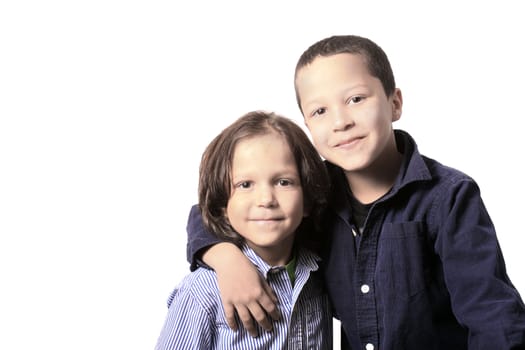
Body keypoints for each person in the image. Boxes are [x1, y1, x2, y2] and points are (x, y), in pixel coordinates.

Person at [185, 35, 525, 349]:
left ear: (394, 103)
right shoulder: (311, 194)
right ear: (308, 125)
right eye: (320, 111)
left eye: (356, 99)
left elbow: (493, 315)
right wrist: (226, 259)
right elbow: (216, 208)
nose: (340, 121)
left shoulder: (447, 198)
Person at [155, 111, 333, 349]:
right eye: (245, 184)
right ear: (223, 205)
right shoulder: (202, 292)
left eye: (284, 182)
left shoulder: (318, 276)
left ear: (308, 200)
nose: (266, 199)